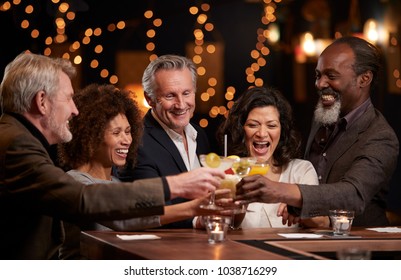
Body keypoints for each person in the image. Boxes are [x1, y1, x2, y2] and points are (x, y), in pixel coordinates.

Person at [0, 52, 224, 259]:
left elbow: (121, 216)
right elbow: (85, 200)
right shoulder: (16, 144)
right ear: (41, 101)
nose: (74, 110)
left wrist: (193, 209)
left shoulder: (17, 137)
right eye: (68, 98)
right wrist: (174, 185)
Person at [235, 36, 399, 227]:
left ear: (364, 79)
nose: (320, 84)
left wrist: (281, 191)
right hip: (312, 242)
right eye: (318, 75)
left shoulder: (380, 135)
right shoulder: (323, 116)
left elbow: (353, 194)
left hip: (358, 244)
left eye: (331, 76)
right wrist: (298, 207)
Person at [58, 83, 215, 259]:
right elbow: (125, 215)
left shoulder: (117, 183)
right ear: (90, 137)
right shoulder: (75, 182)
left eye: (128, 131)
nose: (127, 140)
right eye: (116, 133)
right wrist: (193, 207)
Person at [117, 54, 212, 228]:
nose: (181, 104)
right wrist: (197, 220)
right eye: (170, 96)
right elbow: (146, 207)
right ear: (150, 99)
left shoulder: (200, 134)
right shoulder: (136, 142)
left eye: (186, 93)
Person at [217, 86, 328, 228]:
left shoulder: (301, 170)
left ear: (282, 131)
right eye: (253, 125)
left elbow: (323, 223)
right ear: (241, 129)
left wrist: (298, 205)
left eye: (271, 125)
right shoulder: (226, 173)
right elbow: (219, 226)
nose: (262, 133)